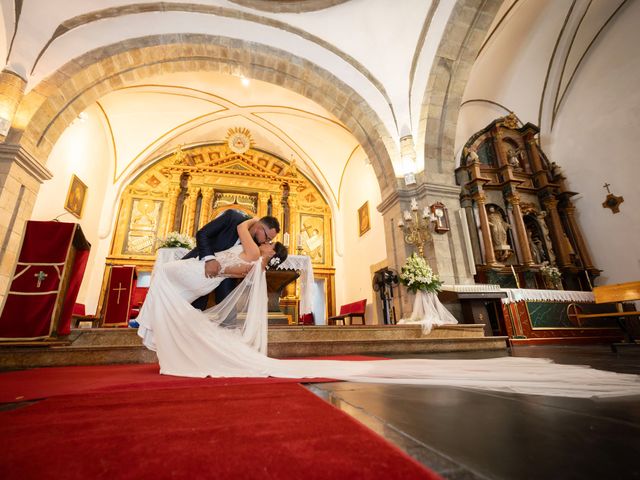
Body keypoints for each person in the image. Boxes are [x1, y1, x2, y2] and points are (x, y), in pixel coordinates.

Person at [136, 217, 640, 398]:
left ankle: (152, 328)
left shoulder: (257, 247)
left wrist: (245, 230)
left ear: (270, 241)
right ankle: (153, 327)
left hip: (213, 270)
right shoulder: (262, 253)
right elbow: (243, 257)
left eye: (270, 235)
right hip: (212, 269)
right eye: (269, 234)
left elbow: (243, 245)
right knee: (165, 277)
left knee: (163, 274)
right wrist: (231, 260)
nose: (267, 237)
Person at [182, 209, 280, 310]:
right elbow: (202, 234)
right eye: (267, 238)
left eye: (270, 241)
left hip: (225, 277)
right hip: (199, 263)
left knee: (228, 313)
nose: (266, 242)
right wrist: (210, 259)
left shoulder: (257, 245)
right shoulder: (232, 217)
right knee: (185, 305)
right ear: (259, 227)